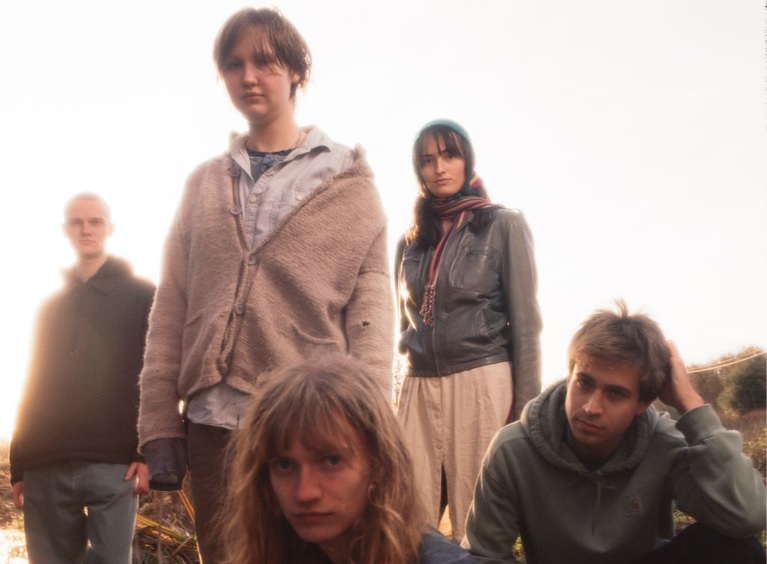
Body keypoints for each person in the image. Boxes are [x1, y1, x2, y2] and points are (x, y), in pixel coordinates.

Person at [137, 8, 393, 562]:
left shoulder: (347, 181)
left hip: (307, 430)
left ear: (296, 71)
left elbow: (370, 317)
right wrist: (158, 417)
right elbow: (171, 304)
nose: (248, 77)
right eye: (233, 65)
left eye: (265, 62)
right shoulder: (203, 183)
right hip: (211, 428)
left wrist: (370, 425)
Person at [462, 301, 766, 564]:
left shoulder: (663, 444)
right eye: (584, 383)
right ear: (569, 377)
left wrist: (691, 404)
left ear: (642, 403)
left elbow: (748, 515)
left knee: (738, 549)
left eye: (616, 393)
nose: (591, 407)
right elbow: (484, 555)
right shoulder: (513, 449)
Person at [395, 119, 542, 540]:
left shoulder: (503, 225)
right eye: (427, 160)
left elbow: (526, 325)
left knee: (477, 522)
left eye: (450, 155)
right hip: (419, 386)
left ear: (467, 160)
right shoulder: (409, 242)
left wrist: (527, 415)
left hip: (481, 379)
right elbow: (404, 323)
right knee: (406, 519)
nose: (439, 168)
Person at [220, 355, 477, 564]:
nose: (304, 493)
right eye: (284, 465)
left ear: (379, 464)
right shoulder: (287, 551)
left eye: (331, 461)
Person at [10, 192, 154, 563]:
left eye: (95, 221)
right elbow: (32, 383)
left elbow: (159, 373)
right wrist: (19, 466)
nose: (86, 229)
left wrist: (145, 451)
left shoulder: (144, 295)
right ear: (66, 230)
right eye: (77, 222)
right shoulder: (48, 307)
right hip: (45, 463)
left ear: (110, 229)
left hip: (114, 464)